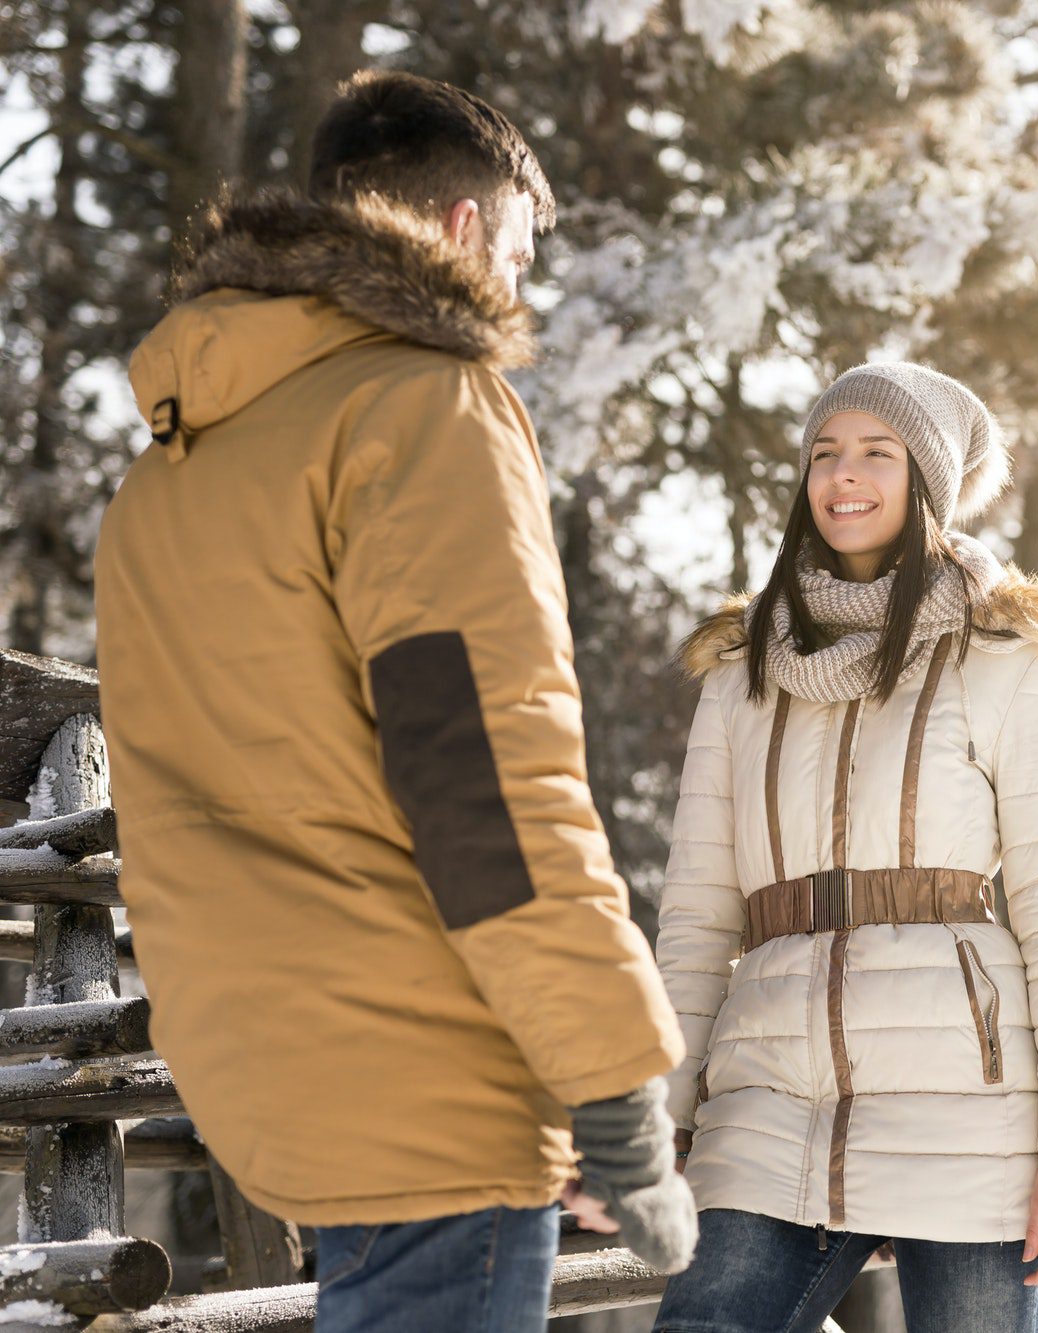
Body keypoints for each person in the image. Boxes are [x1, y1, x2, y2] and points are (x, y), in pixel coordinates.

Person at [95, 71, 696, 1332]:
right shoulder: (421, 405)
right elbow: (474, 767)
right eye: (524, 250)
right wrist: (609, 1074)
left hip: (268, 1059)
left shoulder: (174, 465)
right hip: (429, 1070)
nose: (520, 289)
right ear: (466, 230)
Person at [651, 363, 1038, 1332]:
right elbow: (698, 909)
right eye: (825, 453)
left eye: (877, 452)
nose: (843, 476)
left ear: (929, 480)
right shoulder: (741, 671)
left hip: (970, 1114)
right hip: (766, 1098)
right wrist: (659, 1111)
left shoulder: (1004, 658)